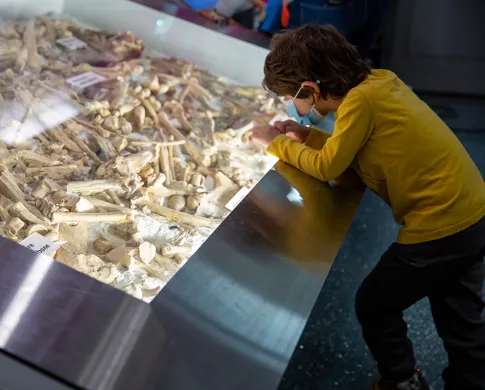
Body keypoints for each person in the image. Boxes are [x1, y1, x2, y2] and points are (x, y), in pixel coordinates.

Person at [251, 24, 485, 390]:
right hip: (471, 214)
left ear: (310, 90)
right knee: (461, 319)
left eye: (291, 97)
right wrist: (308, 136)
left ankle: (402, 380)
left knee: (374, 304)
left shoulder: (358, 103)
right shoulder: (378, 82)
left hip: (438, 226)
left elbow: (331, 165)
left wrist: (274, 143)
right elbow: (352, 147)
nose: (292, 106)